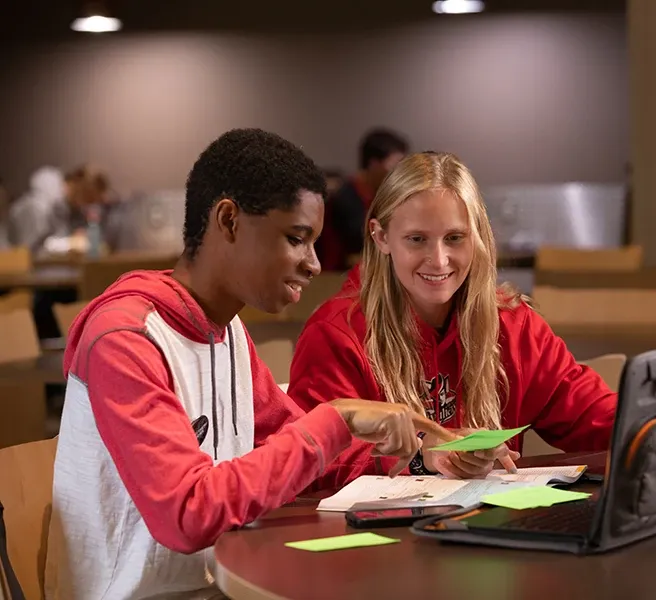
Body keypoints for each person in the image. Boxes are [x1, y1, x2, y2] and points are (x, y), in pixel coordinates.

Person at [44, 129, 452, 600]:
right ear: (229, 220)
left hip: (219, 587)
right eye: (296, 239)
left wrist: (419, 457)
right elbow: (188, 514)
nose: (313, 264)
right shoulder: (125, 338)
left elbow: (306, 456)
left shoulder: (227, 330)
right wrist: (336, 418)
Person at [287, 152, 656, 489]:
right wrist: (420, 457)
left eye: (455, 238)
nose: (438, 260)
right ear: (380, 237)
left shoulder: (513, 326)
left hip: (491, 542)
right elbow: (311, 459)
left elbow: (597, 415)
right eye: (417, 239)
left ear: (479, 237)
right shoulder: (337, 334)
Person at [318, 128, 408, 271]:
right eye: (393, 166)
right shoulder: (344, 199)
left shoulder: (391, 197)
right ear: (373, 163)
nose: (398, 173)